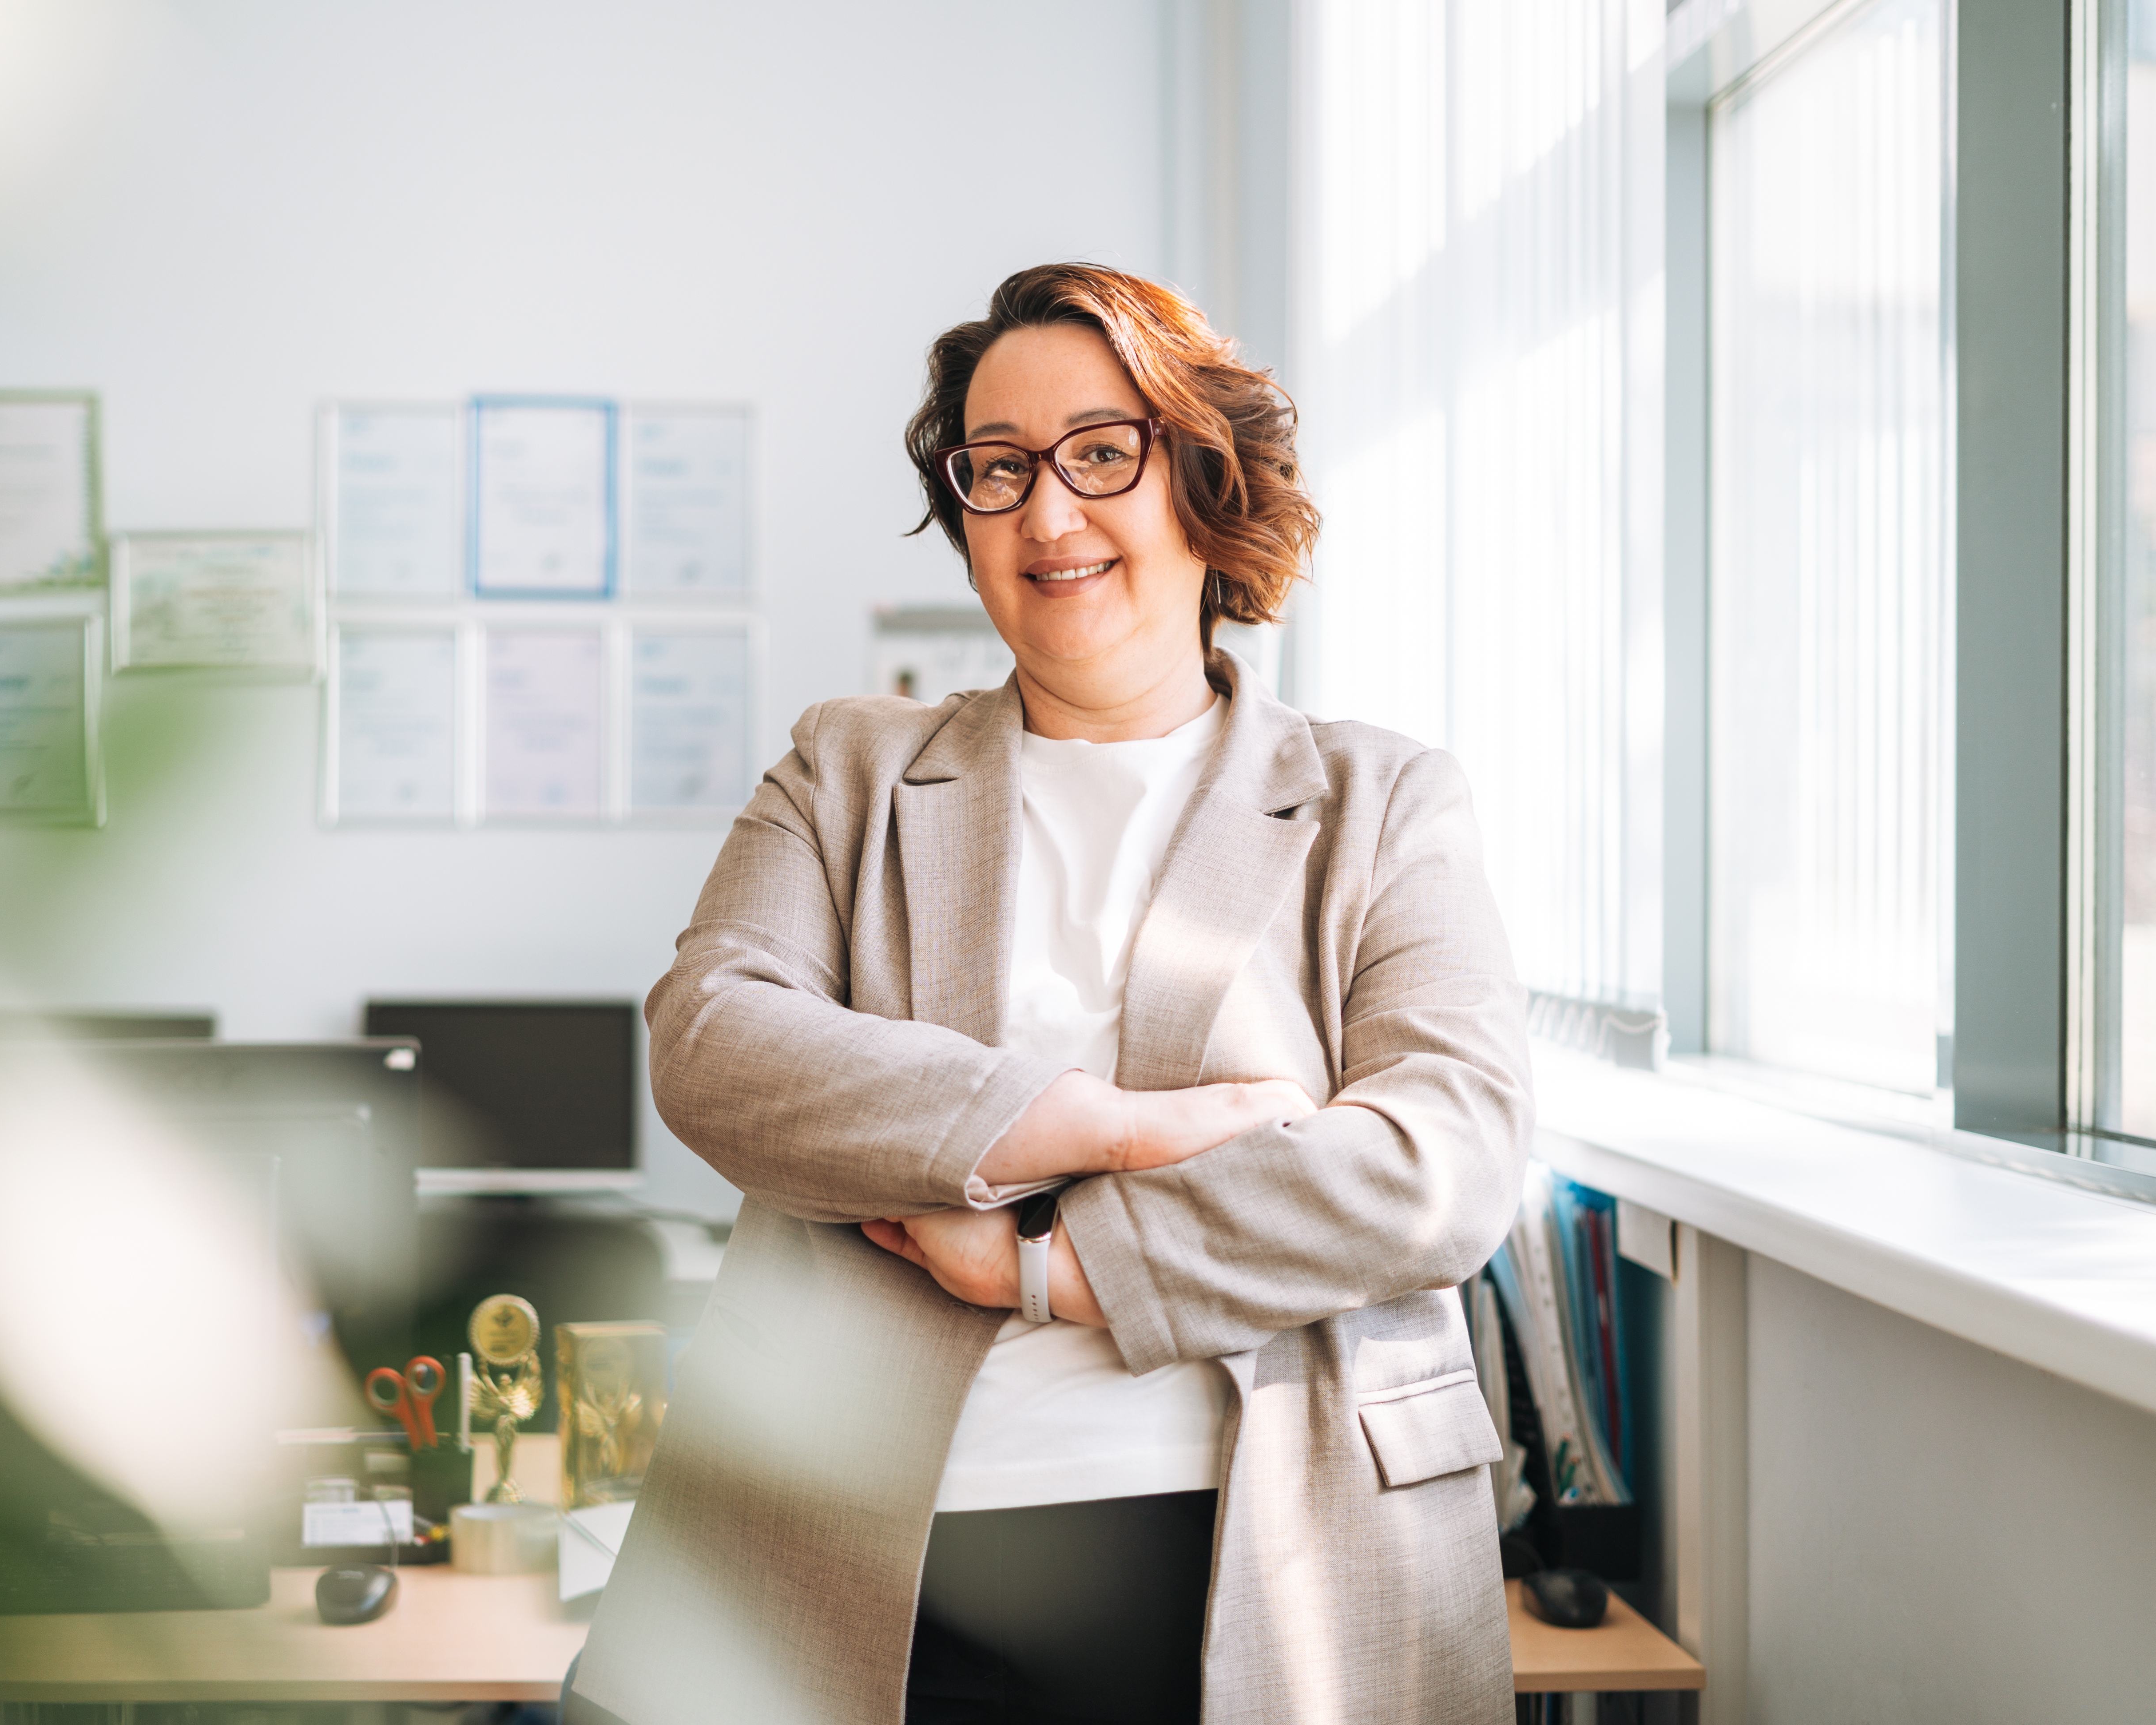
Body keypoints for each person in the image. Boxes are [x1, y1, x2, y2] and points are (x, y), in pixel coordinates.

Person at [567, 264, 1531, 1725]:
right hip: (857, 1554)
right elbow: (713, 1046)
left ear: (1206, 483)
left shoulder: (1381, 801)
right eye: (997, 469)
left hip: (1268, 1546)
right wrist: (1104, 1122)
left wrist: (1037, 1268)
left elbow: (1440, 1165)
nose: (1047, 513)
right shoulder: (849, 770)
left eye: (1100, 452)